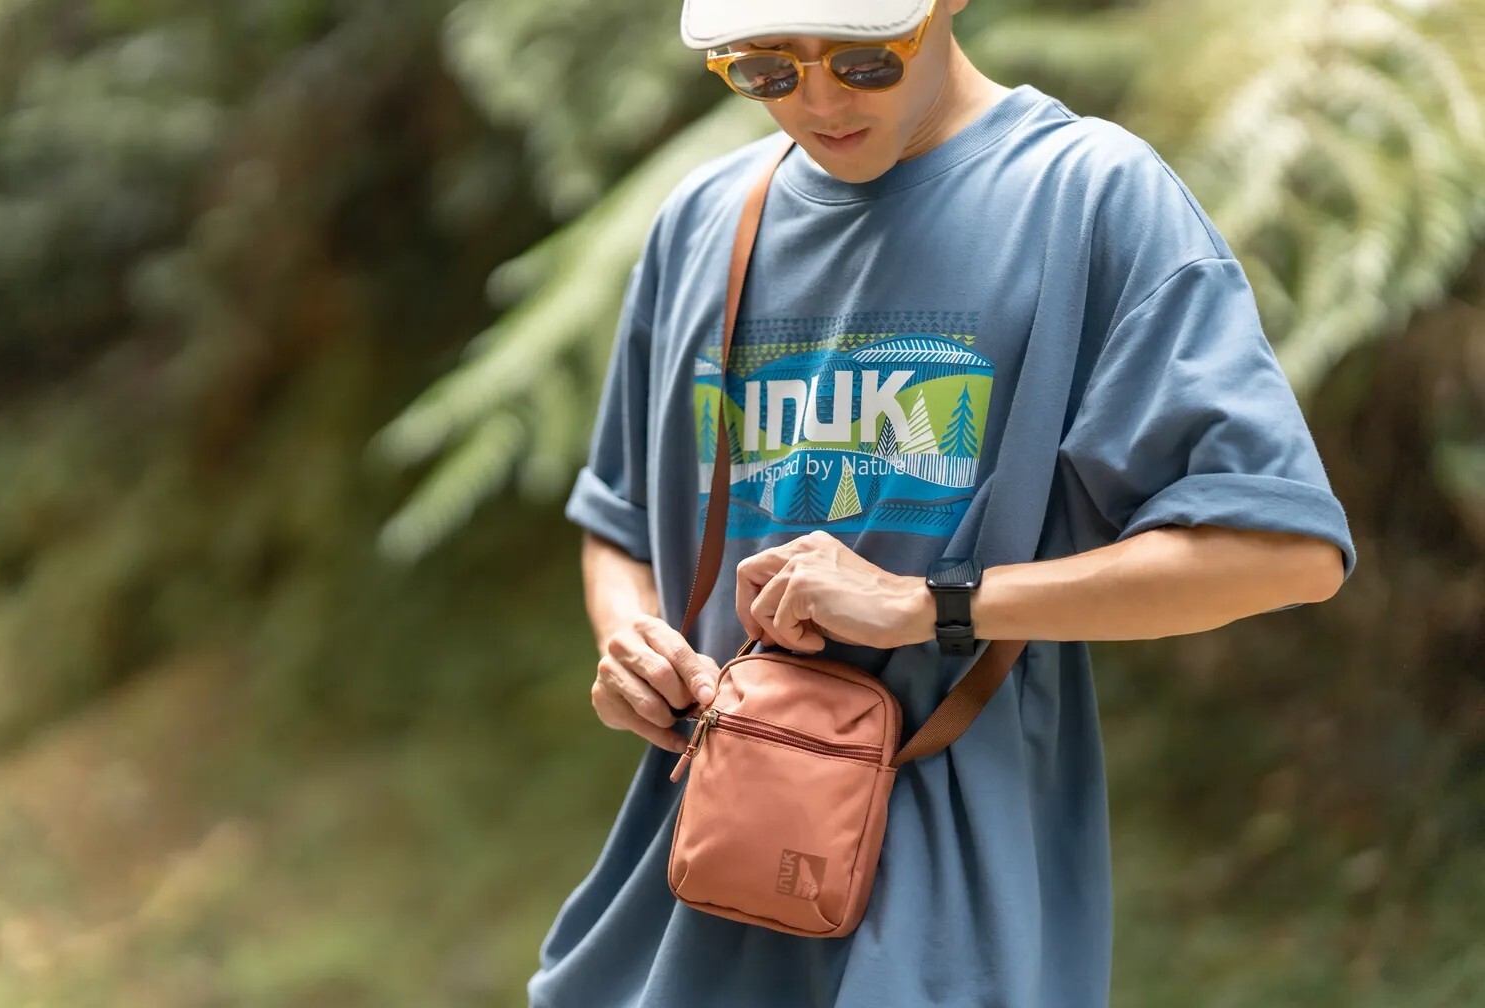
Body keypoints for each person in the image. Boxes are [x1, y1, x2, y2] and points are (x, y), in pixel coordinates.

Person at [528, 0, 1356, 1004]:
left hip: (949, 926)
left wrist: (935, 605)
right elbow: (617, 524)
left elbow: (1280, 551)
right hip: (677, 918)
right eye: (767, 71)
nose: (818, 101)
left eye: (863, 61)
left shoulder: (1086, 197)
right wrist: (630, 644)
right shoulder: (701, 221)